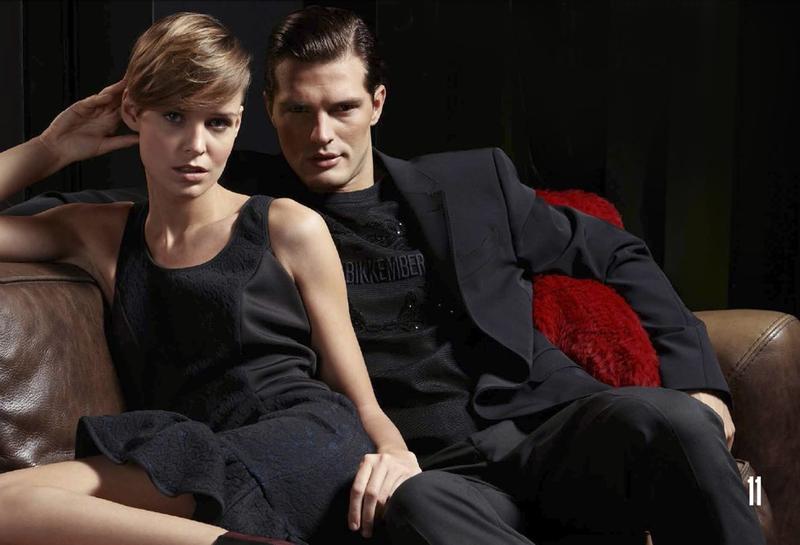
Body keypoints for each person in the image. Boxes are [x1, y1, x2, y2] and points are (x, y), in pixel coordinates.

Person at [2, 6, 766, 545]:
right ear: (266, 109)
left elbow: (617, 253)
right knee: (423, 509)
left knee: (673, 418)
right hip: (420, 473)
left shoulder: (474, 184)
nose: (321, 135)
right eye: (297, 111)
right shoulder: (244, 207)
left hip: (542, 429)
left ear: (377, 102)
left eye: (341, 107)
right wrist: (53, 147)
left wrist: (703, 386)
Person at [0, 12, 421, 545]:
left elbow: (360, 401)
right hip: (195, 460)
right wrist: (51, 148)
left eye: (217, 122)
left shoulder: (289, 227)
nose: (196, 145)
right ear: (133, 113)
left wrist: (398, 456)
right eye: (174, 116)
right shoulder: (98, 234)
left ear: (239, 122)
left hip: (306, 448)